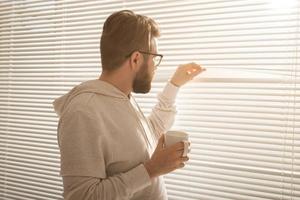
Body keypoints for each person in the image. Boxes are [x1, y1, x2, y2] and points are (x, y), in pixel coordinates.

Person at [52, 10, 205, 200]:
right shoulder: (83, 112)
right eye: (154, 59)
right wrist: (152, 169)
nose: (155, 68)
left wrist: (174, 85)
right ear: (136, 59)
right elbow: (82, 196)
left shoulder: (122, 98)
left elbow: (151, 131)